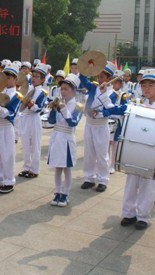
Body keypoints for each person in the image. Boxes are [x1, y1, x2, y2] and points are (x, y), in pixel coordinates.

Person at [103, 69, 155, 229]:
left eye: (151, 85)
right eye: (144, 85)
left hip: (152, 153)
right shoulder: (134, 104)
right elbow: (113, 109)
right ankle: (128, 213)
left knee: (148, 184)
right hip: (134, 149)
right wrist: (103, 94)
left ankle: (143, 216)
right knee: (131, 183)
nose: (147, 89)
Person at [78, 63, 116, 192]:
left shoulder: (112, 93)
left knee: (101, 154)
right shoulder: (94, 88)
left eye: (102, 76)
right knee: (89, 153)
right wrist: (87, 67)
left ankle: (103, 180)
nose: (99, 79)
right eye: (98, 76)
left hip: (101, 126)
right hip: (89, 124)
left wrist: (99, 113)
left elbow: (112, 110)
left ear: (109, 78)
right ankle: (89, 178)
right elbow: (83, 80)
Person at [47, 74, 83, 207]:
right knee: (57, 167)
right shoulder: (59, 102)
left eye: (66, 89)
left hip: (67, 139)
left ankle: (65, 194)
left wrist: (62, 108)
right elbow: (51, 121)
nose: (63, 91)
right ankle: (57, 192)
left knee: (66, 168)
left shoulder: (78, 106)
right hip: (56, 137)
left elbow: (73, 122)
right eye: (61, 88)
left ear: (74, 91)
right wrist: (53, 109)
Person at [0, 63, 22, 194]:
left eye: (9, 77)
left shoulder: (17, 95)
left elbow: (11, 113)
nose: (6, 79)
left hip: (6, 127)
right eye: (4, 77)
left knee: (7, 155)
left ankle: (9, 180)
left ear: (15, 79)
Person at [18, 64, 48, 178]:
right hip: (25, 117)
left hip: (34, 119)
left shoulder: (43, 92)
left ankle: (34, 170)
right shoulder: (28, 89)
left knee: (35, 145)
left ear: (43, 79)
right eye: (33, 76)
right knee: (25, 144)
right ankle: (26, 167)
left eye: (37, 77)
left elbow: (39, 108)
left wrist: (31, 105)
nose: (34, 78)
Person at [108, 68, 128, 175]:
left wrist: (112, 109)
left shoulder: (123, 95)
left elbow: (124, 108)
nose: (114, 84)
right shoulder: (109, 93)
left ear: (120, 83)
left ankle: (112, 165)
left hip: (117, 122)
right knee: (107, 143)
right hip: (108, 121)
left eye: (116, 82)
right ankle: (106, 163)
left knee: (114, 144)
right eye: (113, 81)